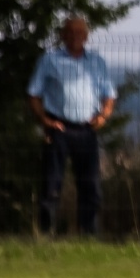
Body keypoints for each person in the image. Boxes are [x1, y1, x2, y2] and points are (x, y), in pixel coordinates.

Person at [27, 16, 117, 236]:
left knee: (90, 185)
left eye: (80, 33)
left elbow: (109, 94)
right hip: (59, 128)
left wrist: (104, 115)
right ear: (63, 35)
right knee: (52, 184)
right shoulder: (50, 60)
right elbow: (34, 93)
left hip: (87, 129)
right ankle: (46, 233)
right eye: (71, 32)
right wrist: (45, 120)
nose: (75, 37)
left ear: (86, 36)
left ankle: (88, 235)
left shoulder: (97, 62)